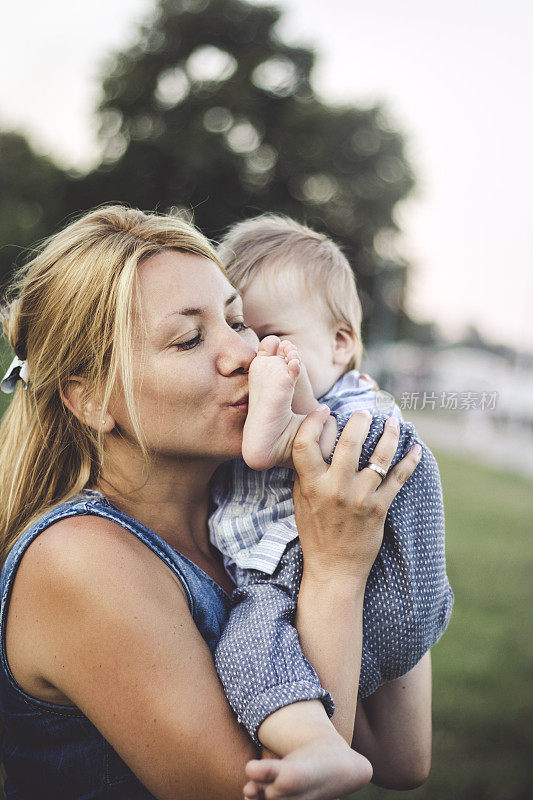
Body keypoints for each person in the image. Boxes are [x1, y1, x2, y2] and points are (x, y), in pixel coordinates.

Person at [0, 205, 428, 800]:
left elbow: (402, 758)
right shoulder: (79, 561)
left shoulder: (241, 520)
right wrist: (335, 570)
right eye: (189, 339)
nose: (244, 356)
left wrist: (390, 526)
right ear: (92, 399)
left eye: (239, 321)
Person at [208, 214, 453, 797]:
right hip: (383, 612)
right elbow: (407, 766)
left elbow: (273, 447)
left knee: (247, 643)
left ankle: (316, 742)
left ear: (341, 341)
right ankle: (322, 743)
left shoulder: (346, 416)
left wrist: (281, 401)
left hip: (344, 584)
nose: (251, 358)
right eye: (238, 333)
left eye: (271, 338)